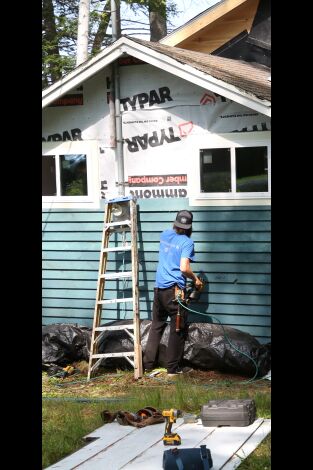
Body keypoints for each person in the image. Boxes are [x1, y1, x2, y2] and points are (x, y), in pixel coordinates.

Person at [143, 210, 203, 376]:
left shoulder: (165, 234)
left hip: (159, 288)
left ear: (175, 222)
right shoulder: (187, 242)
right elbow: (184, 268)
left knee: (156, 326)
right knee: (178, 328)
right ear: (190, 226)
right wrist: (196, 279)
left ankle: (147, 365)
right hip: (174, 291)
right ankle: (173, 368)